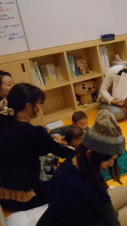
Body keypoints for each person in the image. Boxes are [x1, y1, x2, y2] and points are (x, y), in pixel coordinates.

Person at [0, 83, 74, 211]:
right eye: (40, 103)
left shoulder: (3, 120)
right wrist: (82, 152)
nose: (40, 107)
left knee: (50, 162)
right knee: (70, 180)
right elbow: (61, 152)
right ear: (29, 105)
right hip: (24, 197)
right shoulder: (33, 132)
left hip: (4, 196)